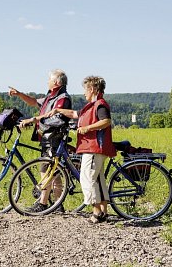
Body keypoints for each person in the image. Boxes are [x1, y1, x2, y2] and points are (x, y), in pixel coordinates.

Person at [44, 76, 116, 223]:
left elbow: (106, 121)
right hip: (93, 147)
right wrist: (58, 109)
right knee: (97, 179)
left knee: (87, 178)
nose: (84, 93)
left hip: (95, 147)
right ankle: (103, 211)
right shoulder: (91, 105)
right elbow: (75, 114)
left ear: (92, 89)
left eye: (85, 89)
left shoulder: (100, 104)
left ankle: (96, 212)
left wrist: (87, 128)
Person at [8, 69, 72, 212]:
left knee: (47, 169)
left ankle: (43, 203)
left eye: (49, 79)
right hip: (46, 137)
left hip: (54, 137)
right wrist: (19, 94)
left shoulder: (62, 98)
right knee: (52, 171)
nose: (47, 81)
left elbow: (57, 118)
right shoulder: (51, 96)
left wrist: (33, 119)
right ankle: (57, 204)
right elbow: (33, 102)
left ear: (56, 82)